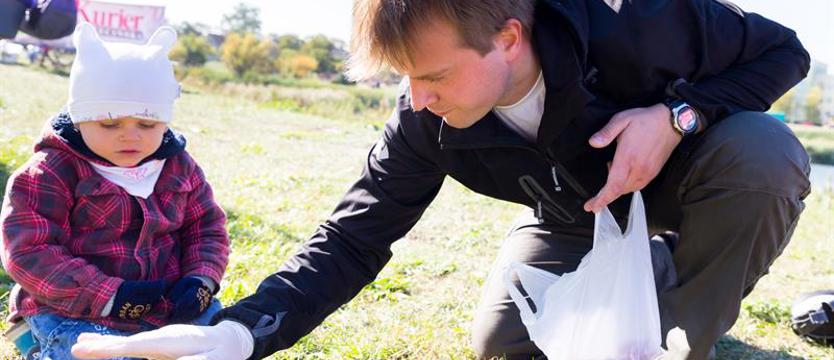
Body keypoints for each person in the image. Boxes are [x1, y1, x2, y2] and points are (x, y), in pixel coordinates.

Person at [71, 0, 812, 359]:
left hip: (689, 184)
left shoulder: (634, 21)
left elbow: (784, 52)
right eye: (405, 78)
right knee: (506, 344)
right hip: (567, 219)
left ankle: (681, 332)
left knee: (764, 153)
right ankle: (637, 274)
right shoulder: (423, 118)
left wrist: (678, 115)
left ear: (508, 37)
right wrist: (239, 336)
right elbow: (352, 237)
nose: (418, 98)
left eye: (434, 74)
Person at [0, 22, 230, 360]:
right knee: (110, 356)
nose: (130, 136)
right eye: (110, 124)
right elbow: (30, 251)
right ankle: (39, 345)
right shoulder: (49, 172)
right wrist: (111, 295)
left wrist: (200, 280)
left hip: (166, 304)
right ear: (79, 118)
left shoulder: (179, 166)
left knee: (225, 339)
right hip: (73, 311)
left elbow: (206, 229)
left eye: (147, 124)